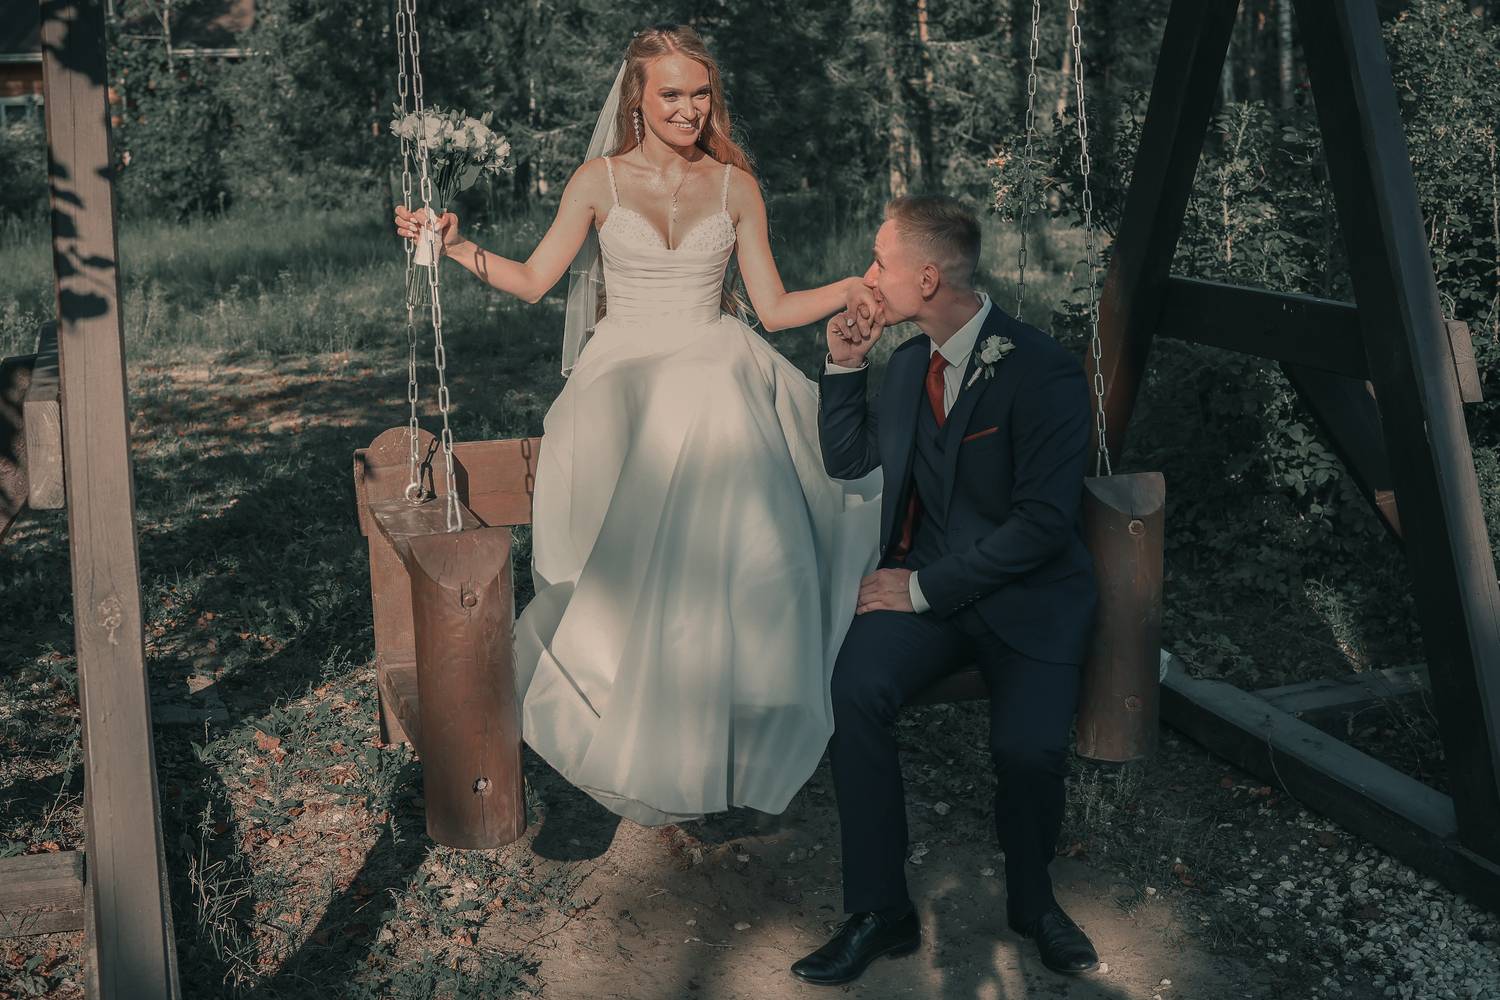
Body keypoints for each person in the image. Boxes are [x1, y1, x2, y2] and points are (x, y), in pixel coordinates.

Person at [393, 24, 881, 827]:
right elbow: (535, 280)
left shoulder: (736, 187)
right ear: (637, 99)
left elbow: (771, 308)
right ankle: (634, 697)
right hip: (622, 377)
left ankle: (732, 700)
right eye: (672, 94)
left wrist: (852, 286)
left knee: (717, 386)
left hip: (713, 362)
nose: (689, 109)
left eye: (701, 94)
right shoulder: (599, 182)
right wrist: (454, 247)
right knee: (700, 396)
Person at [791, 195, 1101, 984]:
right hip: (925, 596)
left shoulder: (1042, 370)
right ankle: (880, 911)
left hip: (1027, 600)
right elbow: (850, 460)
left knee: (1027, 751)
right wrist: (844, 364)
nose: (866, 278)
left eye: (880, 262)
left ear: (926, 278)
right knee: (854, 690)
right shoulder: (906, 367)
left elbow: (1041, 526)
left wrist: (922, 588)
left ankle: (1033, 901)